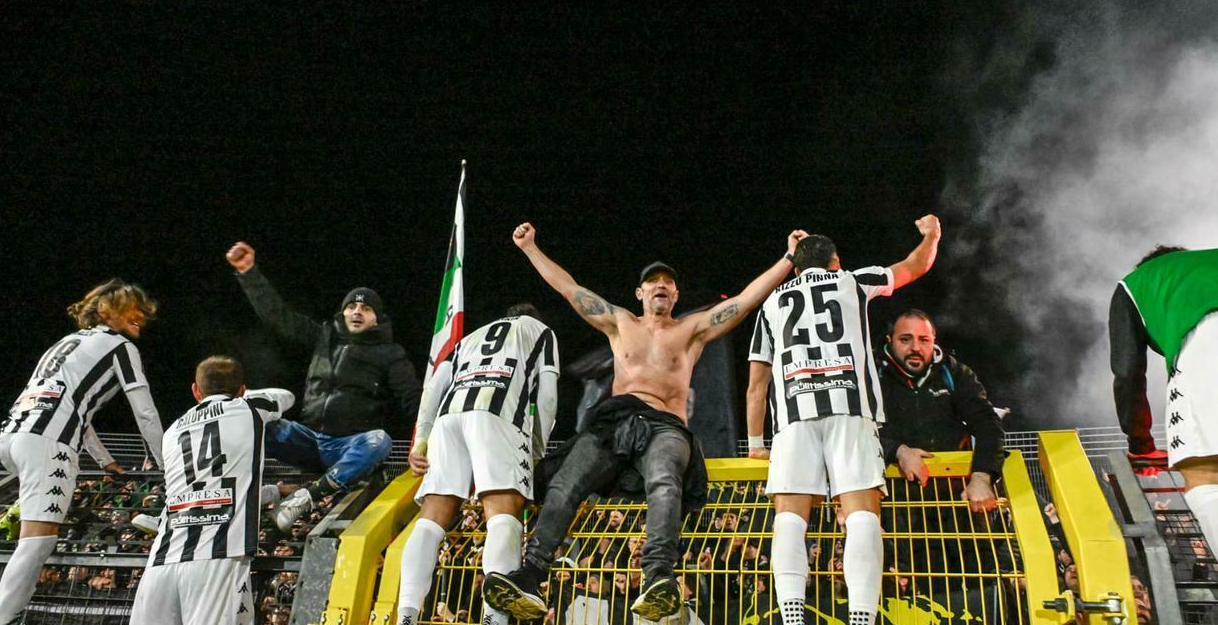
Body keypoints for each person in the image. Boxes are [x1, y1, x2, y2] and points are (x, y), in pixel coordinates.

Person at [484, 223, 808, 622]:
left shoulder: (691, 331)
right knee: (566, 483)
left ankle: (658, 577)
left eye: (668, 282)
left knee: (665, 482)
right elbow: (569, 289)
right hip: (616, 421)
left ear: (676, 295)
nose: (661, 286)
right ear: (640, 293)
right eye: (653, 282)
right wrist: (530, 248)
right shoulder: (620, 322)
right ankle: (531, 573)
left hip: (666, 425)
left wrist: (788, 259)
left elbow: (743, 302)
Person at [744, 216, 941, 625]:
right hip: (850, 412)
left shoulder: (771, 304)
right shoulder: (852, 281)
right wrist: (932, 235)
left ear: (794, 269)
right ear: (835, 262)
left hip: (794, 420)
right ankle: (862, 617)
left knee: (789, 521)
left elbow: (756, 386)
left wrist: (756, 444)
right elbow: (916, 265)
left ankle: (793, 617)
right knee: (862, 518)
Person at [1110, 246, 1218, 625]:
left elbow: (1127, 371)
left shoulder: (1135, 284)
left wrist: (1140, 443)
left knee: (1210, 487)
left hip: (1211, 337)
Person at [0, 279, 165, 625]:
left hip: (13, 436)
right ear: (107, 310)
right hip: (47, 442)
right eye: (134, 309)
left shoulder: (65, 343)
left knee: (33, 537)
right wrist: (167, 463)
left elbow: (73, 410)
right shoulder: (120, 346)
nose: (141, 317)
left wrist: (105, 460)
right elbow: (145, 411)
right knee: (37, 543)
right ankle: (3, 618)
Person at [225, 241, 422, 531]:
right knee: (250, 423)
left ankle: (304, 497)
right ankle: (241, 494)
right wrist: (249, 273)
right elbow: (278, 317)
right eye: (351, 306)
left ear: (377, 319)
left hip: (349, 446)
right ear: (343, 313)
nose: (357, 311)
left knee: (380, 440)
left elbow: (412, 398)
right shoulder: (323, 337)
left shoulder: (391, 353)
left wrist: (428, 439)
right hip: (308, 440)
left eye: (366, 308)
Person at [397, 304, 560, 625]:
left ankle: (406, 615)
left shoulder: (468, 339)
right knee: (503, 514)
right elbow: (548, 395)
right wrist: (536, 449)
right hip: (497, 416)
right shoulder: (540, 331)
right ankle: (493, 619)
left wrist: (421, 440)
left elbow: (433, 386)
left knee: (432, 518)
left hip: (448, 419)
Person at [130, 356, 294, 625]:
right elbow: (286, 397)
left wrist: (272, 492)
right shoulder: (250, 408)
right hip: (217, 556)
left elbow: (209, 484)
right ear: (241, 389)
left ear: (196, 391)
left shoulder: (172, 431)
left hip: (162, 559)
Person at [877, 309, 1004, 509]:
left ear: (934, 341)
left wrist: (982, 477)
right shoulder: (871, 375)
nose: (915, 348)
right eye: (905, 340)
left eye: (924, 340)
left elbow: (988, 424)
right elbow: (853, 432)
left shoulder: (954, 373)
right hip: (893, 502)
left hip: (955, 501)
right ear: (889, 340)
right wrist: (898, 451)